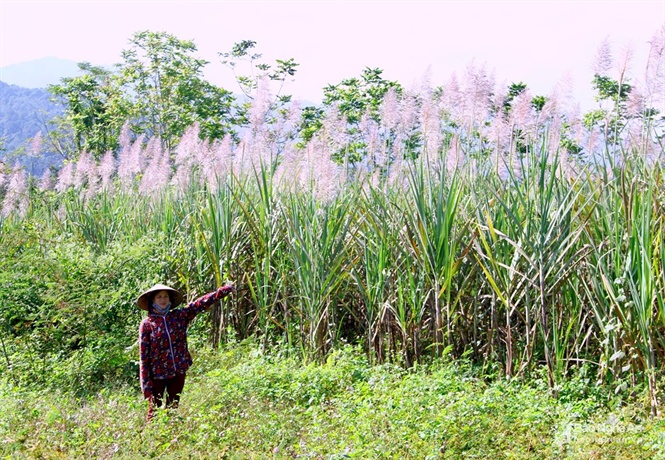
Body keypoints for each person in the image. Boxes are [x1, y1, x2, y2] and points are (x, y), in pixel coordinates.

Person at [137, 283, 235, 421]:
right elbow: (143, 355)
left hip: (178, 371)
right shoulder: (147, 324)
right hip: (157, 374)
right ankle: (152, 438)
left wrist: (221, 292)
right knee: (154, 412)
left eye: (165, 296)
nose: (163, 300)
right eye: (159, 297)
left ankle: (172, 434)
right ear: (152, 300)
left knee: (173, 407)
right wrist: (145, 383)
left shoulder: (178, 316)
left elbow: (198, 305)